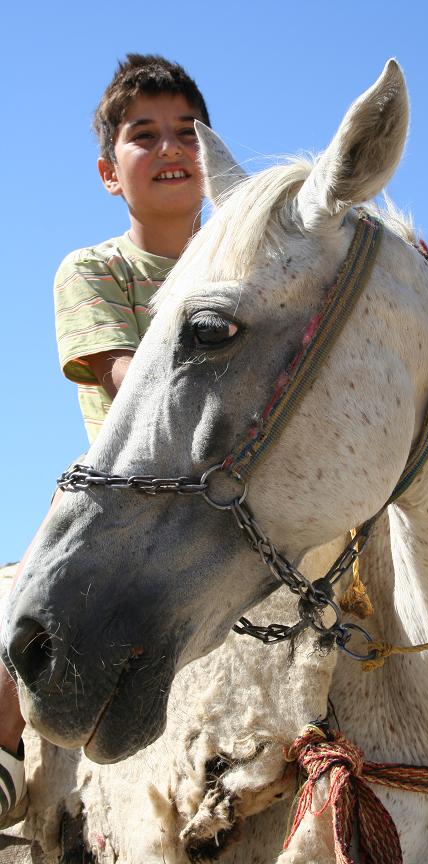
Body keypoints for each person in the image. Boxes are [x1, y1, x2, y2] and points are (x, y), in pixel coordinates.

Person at [0, 54, 210, 828]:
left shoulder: (252, 265)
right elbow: (128, 379)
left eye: (187, 132)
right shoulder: (94, 268)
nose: (170, 148)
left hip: (247, 476)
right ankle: (3, 737)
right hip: (126, 483)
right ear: (108, 173)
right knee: (37, 594)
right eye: (144, 135)